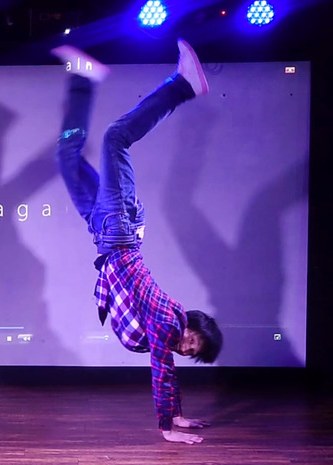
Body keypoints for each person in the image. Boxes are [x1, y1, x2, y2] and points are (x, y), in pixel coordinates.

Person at [52, 39, 223, 444]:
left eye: (190, 351)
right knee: (116, 138)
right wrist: (167, 428)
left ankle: (83, 79)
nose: (185, 347)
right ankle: (183, 85)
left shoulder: (164, 326)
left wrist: (178, 415)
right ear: (191, 324)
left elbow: (168, 369)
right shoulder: (167, 322)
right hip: (119, 230)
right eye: (192, 340)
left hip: (104, 230)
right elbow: (162, 372)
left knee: (67, 155)